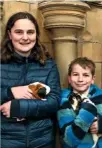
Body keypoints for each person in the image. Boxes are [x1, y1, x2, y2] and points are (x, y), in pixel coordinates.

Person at [0, 12, 61, 148]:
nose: (25, 38)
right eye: (19, 32)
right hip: (6, 140)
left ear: (36, 35)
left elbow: (54, 102)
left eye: (30, 32)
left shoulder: (48, 64)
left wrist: (19, 107)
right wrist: (11, 93)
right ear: (10, 35)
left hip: (42, 140)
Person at [57, 57, 102, 148]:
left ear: (92, 79)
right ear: (69, 79)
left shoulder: (101, 96)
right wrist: (88, 112)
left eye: (86, 75)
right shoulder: (64, 100)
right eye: (75, 74)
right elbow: (70, 139)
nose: (80, 79)